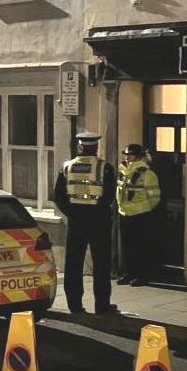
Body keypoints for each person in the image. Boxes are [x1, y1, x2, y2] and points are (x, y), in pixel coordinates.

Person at [53, 132, 118, 315]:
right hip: (99, 222)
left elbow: (59, 197)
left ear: (80, 147)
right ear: (96, 148)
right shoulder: (105, 168)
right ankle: (102, 306)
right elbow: (109, 195)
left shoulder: (66, 168)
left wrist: (73, 214)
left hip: (76, 222)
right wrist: (97, 212)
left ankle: (75, 305)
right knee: (101, 265)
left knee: (73, 264)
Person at [117, 143, 161, 287]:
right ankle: (128, 274)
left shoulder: (148, 174)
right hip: (124, 213)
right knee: (126, 246)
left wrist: (144, 209)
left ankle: (141, 275)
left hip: (140, 214)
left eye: (130, 155)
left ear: (138, 157)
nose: (127, 157)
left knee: (140, 247)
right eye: (126, 154)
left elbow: (154, 197)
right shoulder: (122, 171)